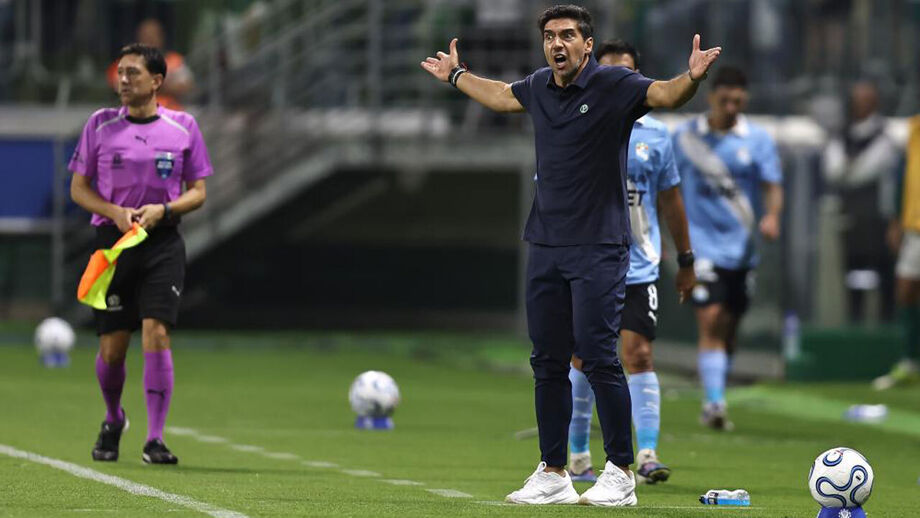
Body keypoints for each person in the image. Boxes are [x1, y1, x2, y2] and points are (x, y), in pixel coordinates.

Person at [421, 4, 720, 506]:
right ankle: (554, 471)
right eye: (549, 36)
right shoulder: (540, 85)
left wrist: (690, 78)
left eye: (566, 36)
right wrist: (456, 75)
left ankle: (621, 473)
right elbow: (499, 96)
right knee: (547, 360)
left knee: (602, 358)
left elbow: (665, 94)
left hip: (599, 246)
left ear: (587, 44)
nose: (556, 44)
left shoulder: (613, 85)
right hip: (545, 243)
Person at [70, 43, 213, 464]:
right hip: (114, 247)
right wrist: (114, 211)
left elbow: (199, 193)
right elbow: (78, 188)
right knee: (113, 348)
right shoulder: (98, 125)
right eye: (120, 73)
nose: (123, 80)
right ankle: (114, 418)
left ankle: (154, 438)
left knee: (157, 331)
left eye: (133, 73)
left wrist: (163, 209)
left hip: (162, 242)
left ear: (156, 81)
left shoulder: (184, 127)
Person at [566, 39, 695, 486]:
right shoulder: (574, 126)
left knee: (638, 353)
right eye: (609, 74)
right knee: (582, 357)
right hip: (586, 262)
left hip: (638, 264)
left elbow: (671, 199)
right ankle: (578, 453)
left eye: (628, 75)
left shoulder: (657, 136)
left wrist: (686, 258)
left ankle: (647, 454)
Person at [671, 66, 783, 430]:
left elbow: (772, 184)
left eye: (738, 100)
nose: (732, 106)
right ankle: (715, 404)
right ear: (712, 97)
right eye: (725, 99)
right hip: (701, 246)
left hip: (741, 249)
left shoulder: (758, 140)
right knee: (712, 318)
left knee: (730, 329)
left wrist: (772, 216)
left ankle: (716, 389)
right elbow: (667, 187)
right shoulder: (687, 138)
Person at [821, 81, 900, 322]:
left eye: (866, 100)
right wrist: (850, 169)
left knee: (881, 275)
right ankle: (855, 321)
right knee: (853, 274)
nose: (860, 105)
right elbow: (832, 170)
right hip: (850, 218)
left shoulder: (883, 135)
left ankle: (883, 329)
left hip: (878, 219)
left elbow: (871, 167)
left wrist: (849, 168)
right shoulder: (842, 134)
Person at [873, 112, 920, 390]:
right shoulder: (913, 129)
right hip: (914, 226)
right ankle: (909, 362)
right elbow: (903, 174)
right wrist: (895, 220)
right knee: (905, 288)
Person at [106, 19, 194, 111]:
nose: (150, 39)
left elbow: (186, 85)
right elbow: (118, 84)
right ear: (139, 37)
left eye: (154, 35)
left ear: (161, 37)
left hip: (170, 115)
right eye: (146, 36)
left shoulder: (174, 60)